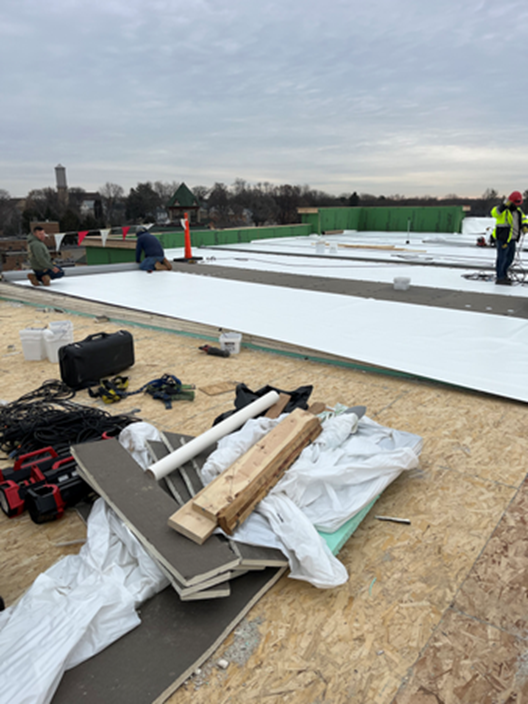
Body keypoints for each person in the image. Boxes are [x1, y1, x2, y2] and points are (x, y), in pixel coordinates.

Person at [491, 191, 528, 285]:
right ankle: (500, 277)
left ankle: (504, 275)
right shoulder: (503, 210)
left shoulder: (518, 211)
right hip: (503, 239)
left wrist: (525, 226)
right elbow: (494, 213)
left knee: (509, 258)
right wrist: (503, 206)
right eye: (516, 203)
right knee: (502, 258)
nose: (517, 205)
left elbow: (524, 219)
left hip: (512, 239)